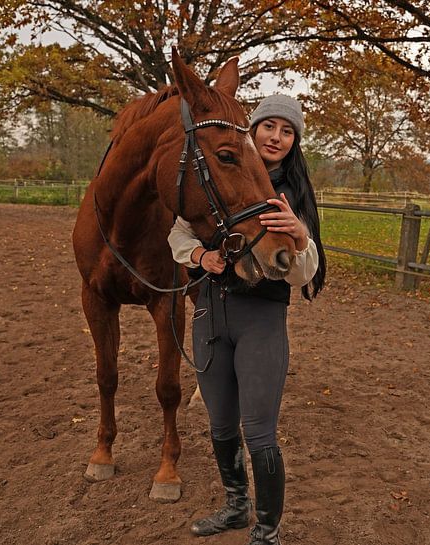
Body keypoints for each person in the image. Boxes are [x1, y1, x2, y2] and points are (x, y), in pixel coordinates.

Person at [168, 94, 326, 545]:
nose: (276, 137)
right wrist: (200, 256)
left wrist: (300, 236)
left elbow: (303, 273)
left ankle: (267, 531)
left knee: (258, 431)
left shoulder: (293, 193)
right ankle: (236, 507)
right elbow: (179, 231)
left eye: (287, 131)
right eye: (269, 126)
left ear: (295, 141)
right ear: (252, 129)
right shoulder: (217, 174)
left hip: (261, 319)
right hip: (210, 314)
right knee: (220, 424)